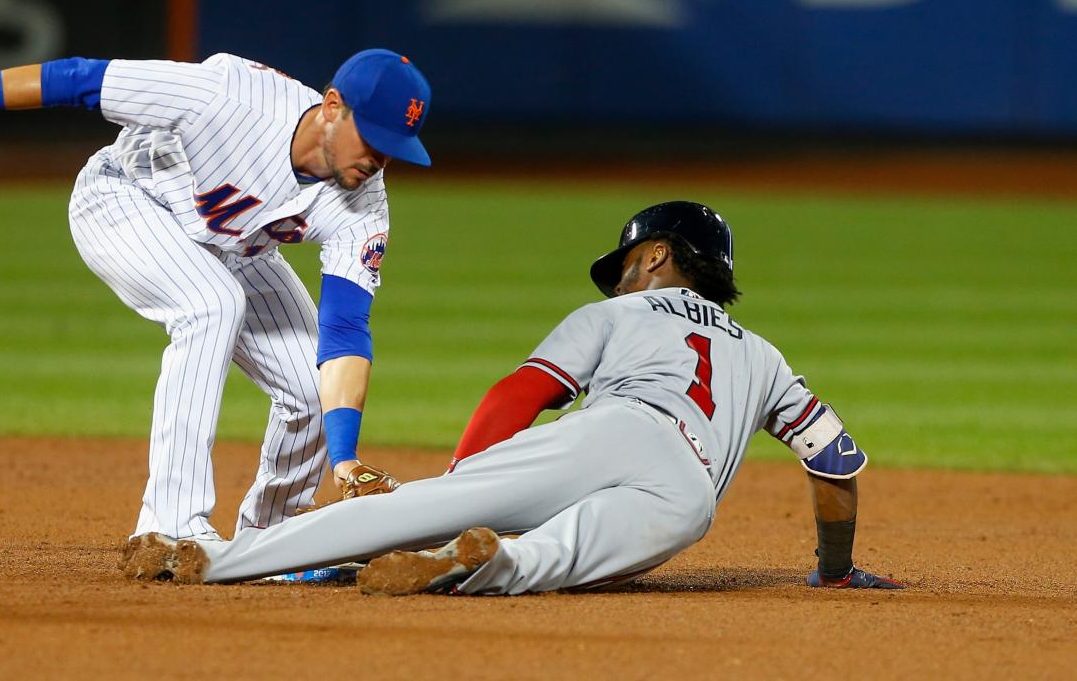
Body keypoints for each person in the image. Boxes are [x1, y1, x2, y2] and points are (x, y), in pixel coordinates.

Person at [118, 200, 903, 593]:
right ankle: (478, 564)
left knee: (409, 509)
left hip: (612, 430)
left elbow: (519, 393)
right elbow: (834, 463)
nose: (622, 271)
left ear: (658, 255)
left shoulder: (616, 312)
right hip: (687, 495)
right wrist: (835, 571)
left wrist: (461, 484)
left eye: (630, 257)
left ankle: (213, 556)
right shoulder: (763, 355)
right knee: (546, 561)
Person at [0, 49, 433, 541]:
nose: (381, 158)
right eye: (375, 137)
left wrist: (345, 457)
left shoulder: (365, 202)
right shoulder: (229, 96)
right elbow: (79, 79)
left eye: (396, 147)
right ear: (333, 107)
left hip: (232, 248)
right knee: (211, 305)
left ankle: (273, 535)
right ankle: (170, 524)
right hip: (124, 199)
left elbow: (343, 330)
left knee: (311, 386)